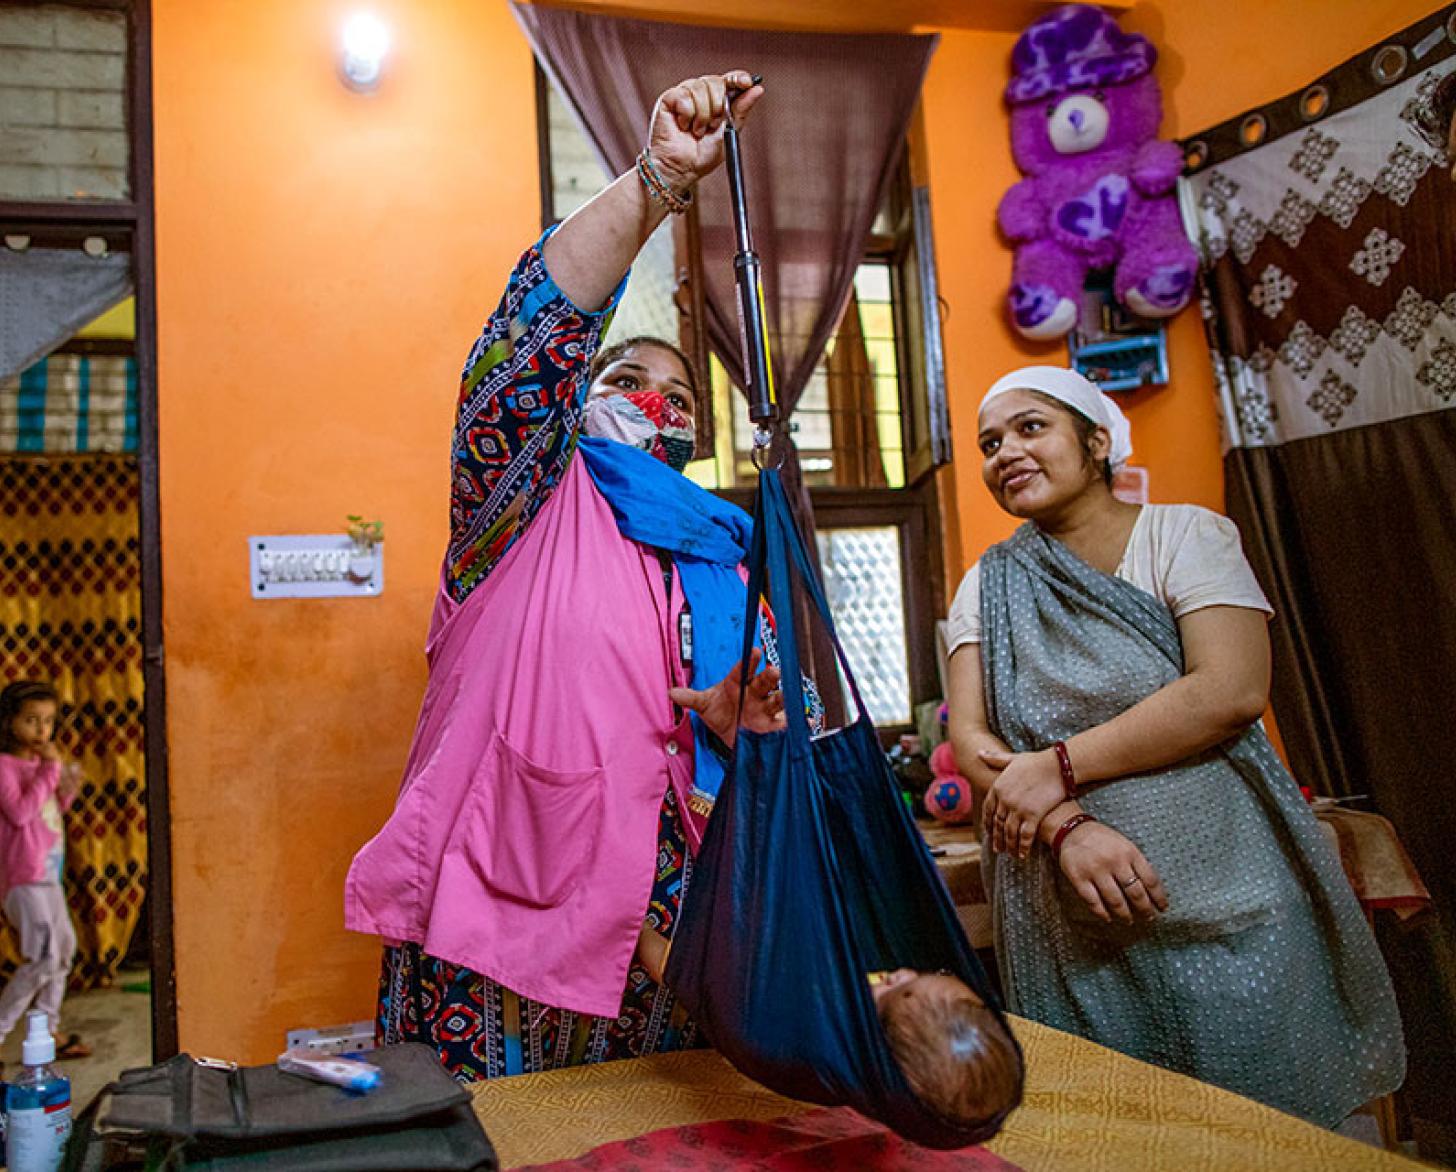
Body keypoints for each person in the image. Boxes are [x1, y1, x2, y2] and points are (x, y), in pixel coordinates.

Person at [345, 71, 790, 1080]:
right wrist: (655, 184)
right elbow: (526, 346)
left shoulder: (727, 550)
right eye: (625, 378)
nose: (651, 399)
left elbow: (770, 730)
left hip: (686, 927)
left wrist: (731, 719)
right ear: (581, 396)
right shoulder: (520, 500)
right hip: (507, 917)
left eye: (676, 392)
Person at [944, 365, 1405, 1128]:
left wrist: (1059, 768)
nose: (1005, 454)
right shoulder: (985, 586)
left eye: (1031, 428)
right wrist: (1069, 827)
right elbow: (973, 743)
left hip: (1228, 891)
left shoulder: (1184, 536)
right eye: (990, 442)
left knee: (1268, 1125)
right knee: (1124, 1128)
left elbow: (1227, 690)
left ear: (1097, 443)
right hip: (1068, 918)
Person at [0, 680, 89, 1063]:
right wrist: (51, 770)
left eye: (48, 721)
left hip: (49, 873)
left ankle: (48, 1030)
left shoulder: (38, 765)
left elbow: (47, 814)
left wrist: (65, 787)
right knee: (42, 958)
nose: (41, 731)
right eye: (32, 721)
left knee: (63, 950)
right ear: (9, 723)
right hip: (24, 876)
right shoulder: (4, 766)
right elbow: (19, 814)